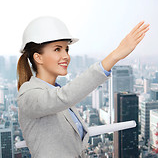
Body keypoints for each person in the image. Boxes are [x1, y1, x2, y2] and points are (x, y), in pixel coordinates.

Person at [17, 16, 150, 158]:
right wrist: (114, 56)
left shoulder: (56, 92)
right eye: (57, 49)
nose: (66, 56)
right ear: (38, 57)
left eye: (66, 49)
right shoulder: (28, 95)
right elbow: (65, 96)